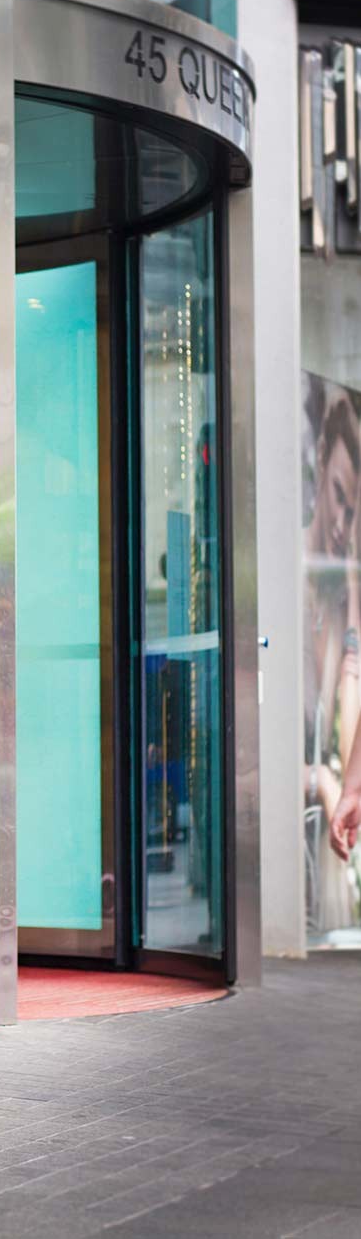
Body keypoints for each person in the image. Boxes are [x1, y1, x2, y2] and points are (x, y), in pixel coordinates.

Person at [303, 394, 361, 926]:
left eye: (354, 508)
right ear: (321, 460)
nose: (344, 523)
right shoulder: (289, 584)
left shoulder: (345, 596)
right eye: (340, 496)